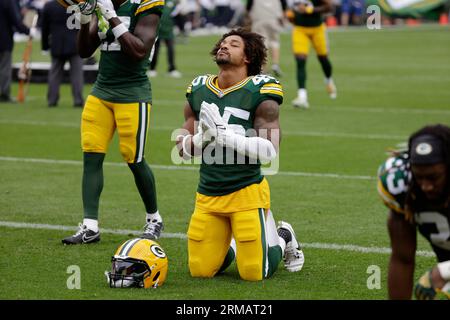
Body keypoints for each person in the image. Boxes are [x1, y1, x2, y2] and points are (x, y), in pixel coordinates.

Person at [176, 28, 305, 281]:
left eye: (234, 44)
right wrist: (204, 138)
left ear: (248, 57)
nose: (224, 46)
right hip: (208, 193)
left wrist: (224, 137)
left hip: (246, 192)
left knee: (254, 273)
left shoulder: (261, 88)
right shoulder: (199, 88)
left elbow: (269, 151)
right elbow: (181, 151)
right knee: (201, 270)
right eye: (223, 43)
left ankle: (283, 236)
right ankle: (234, 243)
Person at [62, 0, 165, 244]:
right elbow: (85, 51)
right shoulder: (101, 5)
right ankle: (90, 225)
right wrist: (87, 18)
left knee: (134, 158)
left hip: (133, 94)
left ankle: (154, 218)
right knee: (91, 155)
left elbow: (139, 50)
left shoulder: (146, 5)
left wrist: (111, 15)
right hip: (101, 92)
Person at [377, 124, 450, 299]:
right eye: (419, 176)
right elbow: (402, 259)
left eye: (433, 177)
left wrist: (443, 271)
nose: (426, 186)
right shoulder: (401, 185)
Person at [287, 0, 337, 109]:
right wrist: (290, 16)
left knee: (323, 58)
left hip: (317, 28)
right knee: (300, 60)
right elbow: (290, 10)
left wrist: (311, 10)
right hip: (300, 29)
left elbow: (329, 7)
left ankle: (328, 80)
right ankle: (302, 96)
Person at [41, 0, 84, 107]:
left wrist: (45, 46)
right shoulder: (78, 4)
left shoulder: (49, 6)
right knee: (77, 75)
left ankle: (52, 99)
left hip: (57, 43)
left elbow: (44, 28)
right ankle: (78, 99)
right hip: (75, 43)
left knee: (54, 74)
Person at [0, 0, 34, 103]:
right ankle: (4, 94)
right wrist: (28, 31)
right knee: (4, 68)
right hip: (3, 40)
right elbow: (15, 20)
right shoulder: (8, 2)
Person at [246, 0, 287, 77]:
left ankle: (264, 68)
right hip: (274, 19)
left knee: (262, 44)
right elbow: (284, 5)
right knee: (275, 42)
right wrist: (283, 17)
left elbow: (249, 7)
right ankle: (275, 64)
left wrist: (248, 18)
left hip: (259, 20)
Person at [147, 0, 182, 78]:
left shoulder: (172, 3)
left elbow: (177, 14)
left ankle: (172, 69)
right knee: (155, 50)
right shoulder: (156, 2)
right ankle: (152, 69)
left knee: (171, 49)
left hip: (168, 30)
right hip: (157, 30)